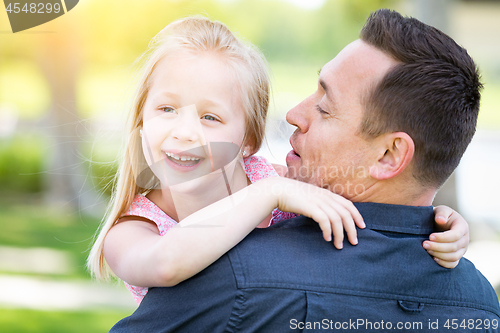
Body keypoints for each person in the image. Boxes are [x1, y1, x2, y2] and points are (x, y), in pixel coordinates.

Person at [109, 9, 500, 332]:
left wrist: (446, 227)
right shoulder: (481, 304)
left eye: (325, 107)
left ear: (389, 155)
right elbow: (163, 259)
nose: (294, 114)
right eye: (166, 109)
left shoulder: (237, 280)